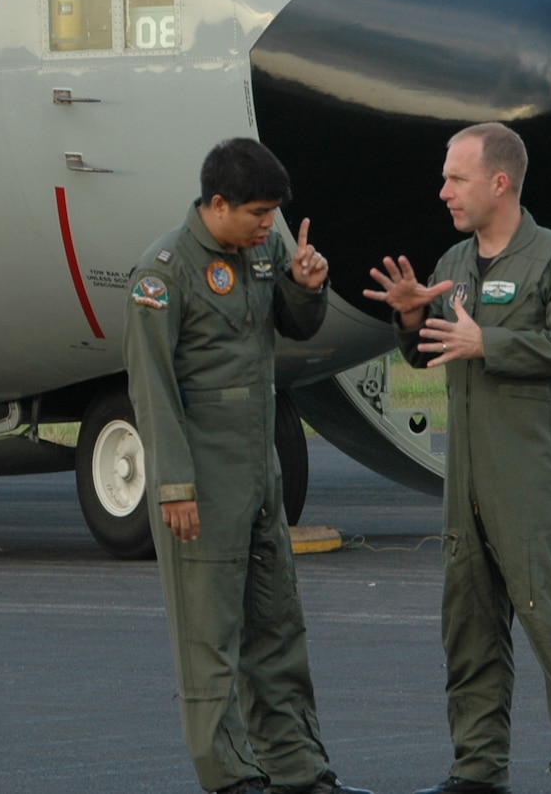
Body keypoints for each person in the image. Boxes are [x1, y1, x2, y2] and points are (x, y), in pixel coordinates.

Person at [364, 122, 551, 794]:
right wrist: (412, 318)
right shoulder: (451, 265)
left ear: (499, 182)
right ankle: (477, 769)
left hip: (530, 481)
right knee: (468, 634)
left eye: (456, 178)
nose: (443, 190)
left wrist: (488, 344)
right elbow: (426, 352)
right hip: (464, 484)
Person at [123, 138, 370, 794]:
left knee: (278, 630)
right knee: (211, 641)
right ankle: (230, 776)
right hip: (202, 483)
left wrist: (305, 285)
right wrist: (173, 485)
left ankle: (298, 770)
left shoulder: (264, 253)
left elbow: (295, 323)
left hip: (261, 476)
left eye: (274, 215)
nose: (269, 226)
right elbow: (152, 390)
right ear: (218, 204)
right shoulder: (163, 273)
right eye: (259, 214)